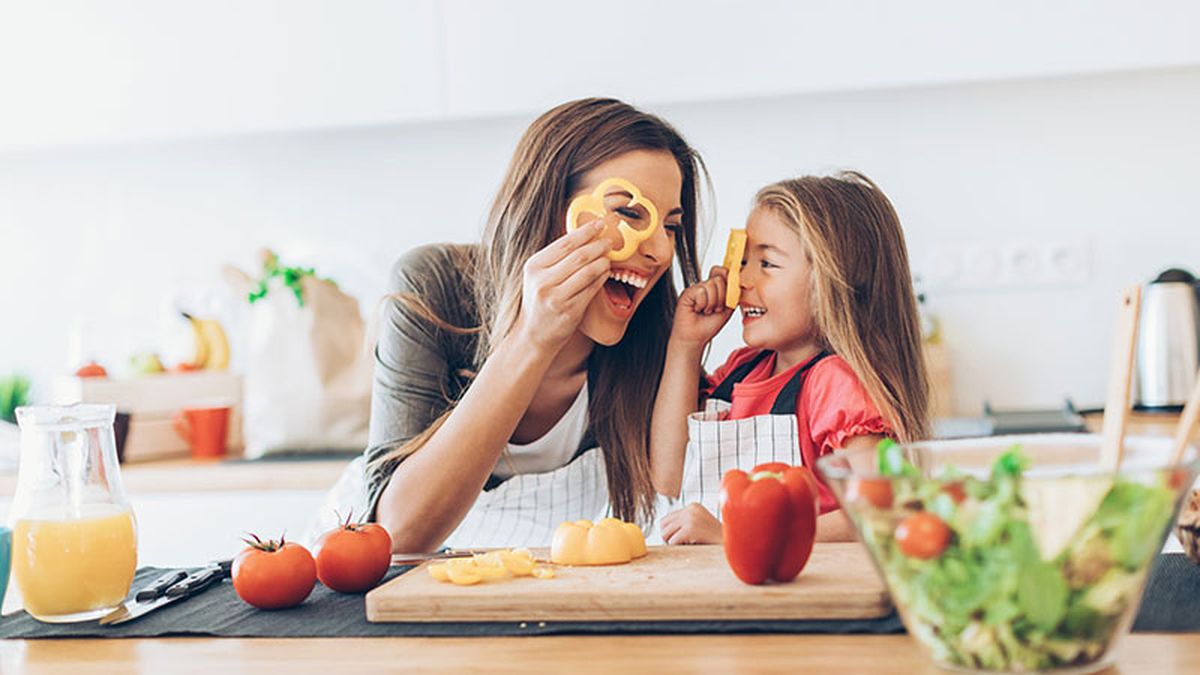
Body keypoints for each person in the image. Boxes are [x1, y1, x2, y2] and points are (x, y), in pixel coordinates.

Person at [361, 98, 707, 553]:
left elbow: (680, 490)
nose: (660, 252)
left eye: (671, 226)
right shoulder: (434, 284)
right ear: (549, 207)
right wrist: (533, 338)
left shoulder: (657, 339)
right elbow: (398, 536)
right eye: (628, 214)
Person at [649, 171, 930, 545]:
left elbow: (883, 510)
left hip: (803, 598)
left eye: (766, 264)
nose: (742, 280)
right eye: (744, 261)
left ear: (832, 282)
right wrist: (685, 345)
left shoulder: (834, 383)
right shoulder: (741, 371)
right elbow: (669, 477)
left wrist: (739, 535)